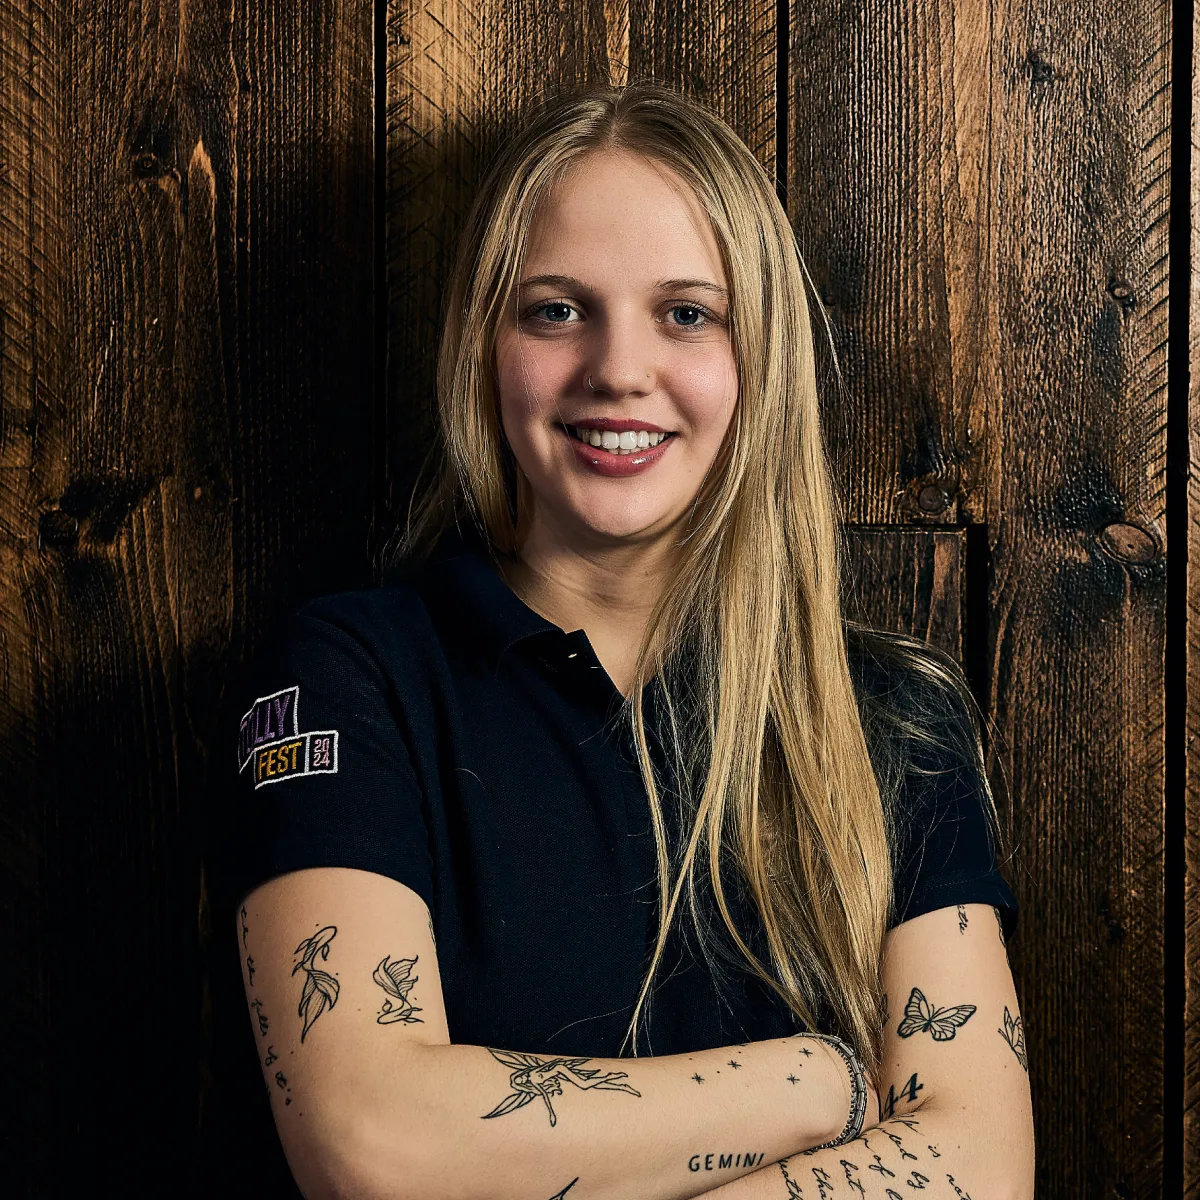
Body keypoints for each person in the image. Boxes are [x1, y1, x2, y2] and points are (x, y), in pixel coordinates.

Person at [211, 83, 1035, 1199]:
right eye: (556, 310)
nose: (619, 368)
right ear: (482, 342)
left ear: (760, 360)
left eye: (687, 313)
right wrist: (822, 1083)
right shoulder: (349, 679)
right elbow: (375, 1145)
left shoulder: (890, 717)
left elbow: (980, 1165)